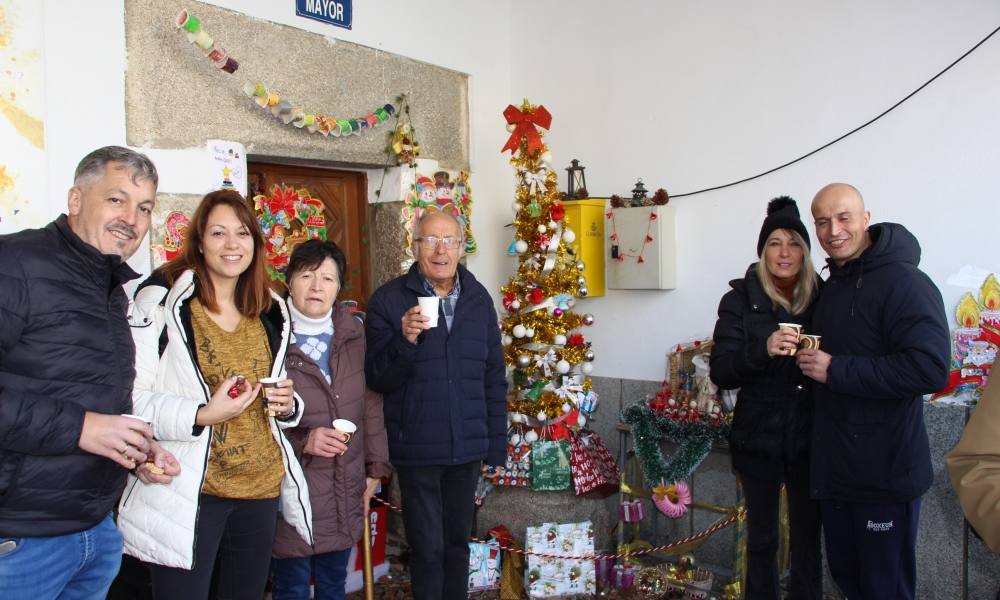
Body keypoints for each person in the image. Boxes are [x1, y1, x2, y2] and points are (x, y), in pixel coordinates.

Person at [0, 146, 179, 599]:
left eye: (144, 208)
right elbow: (80, 419)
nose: (132, 219)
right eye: (116, 200)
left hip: (95, 533)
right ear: (75, 200)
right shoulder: (16, 264)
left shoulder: (108, 285)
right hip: (20, 540)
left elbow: (79, 395)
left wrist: (134, 448)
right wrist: (81, 427)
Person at [116, 190, 313, 599]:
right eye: (218, 232)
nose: (231, 244)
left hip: (260, 490)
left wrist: (288, 405)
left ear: (255, 244)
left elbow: (276, 396)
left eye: (242, 233)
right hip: (192, 490)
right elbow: (129, 400)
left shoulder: (270, 310)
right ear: (199, 242)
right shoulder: (162, 304)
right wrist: (203, 413)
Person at [797, 183, 950, 599]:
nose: (834, 230)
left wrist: (836, 370)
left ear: (866, 219)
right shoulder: (835, 284)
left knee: (884, 590)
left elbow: (931, 368)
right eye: (823, 221)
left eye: (844, 217)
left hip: (884, 477)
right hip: (837, 474)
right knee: (850, 584)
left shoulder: (906, 282)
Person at [365, 211, 507, 600]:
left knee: (459, 545)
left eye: (449, 241)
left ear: (463, 248)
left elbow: (493, 376)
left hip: (466, 447)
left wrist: (496, 446)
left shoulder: (478, 300)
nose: (440, 249)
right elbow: (377, 378)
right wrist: (404, 341)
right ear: (415, 247)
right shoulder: (389, 300)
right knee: (427, 550)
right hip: (416, 447)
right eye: (430, 240)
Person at [710, 196, 823, 600]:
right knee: (761, 539)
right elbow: (721, 370)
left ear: (805, 251)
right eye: (774, 242)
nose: (784, 252)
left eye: (794, 242)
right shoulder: (740, 299)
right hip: (758, 436)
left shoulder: (823, 297)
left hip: (812, 438)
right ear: (762, 251)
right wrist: (763, 348)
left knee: (809, 542)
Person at [271, 240, 391, 600]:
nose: (317, 286)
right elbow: (252, 414)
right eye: (307, 276)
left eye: (327, 278)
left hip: (344, 481)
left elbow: (371, 404)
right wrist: (303, 439)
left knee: (332, 585)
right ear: (289, 281)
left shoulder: (354, 334)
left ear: (339, 287)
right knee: (290, 585)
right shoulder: (268, 334)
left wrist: (376, 468)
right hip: (290, 484)